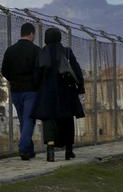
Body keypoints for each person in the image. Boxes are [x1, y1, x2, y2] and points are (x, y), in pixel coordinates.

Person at [32, 28, 85, 162]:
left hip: (47, 92)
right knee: (67, 119)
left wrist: (38, 87)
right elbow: (77, 70)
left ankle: (50, 150)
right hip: (66, 91)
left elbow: (37, 75)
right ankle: (68, 150)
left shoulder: (42, 53)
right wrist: (80, 87)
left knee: (48, 119)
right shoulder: (66, 51)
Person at [1, 22, 41, 160]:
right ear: (31, 34)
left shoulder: (10, 50)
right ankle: (23, 148)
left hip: (16, 90)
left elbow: (4, 70)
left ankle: (29, 149)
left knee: (23, 119)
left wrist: (14, 79)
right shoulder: (36, 50)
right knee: (29, 119)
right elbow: (41, 70)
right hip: (31, 90)